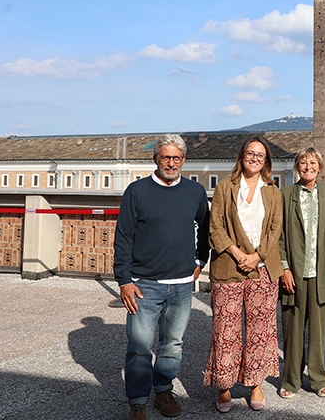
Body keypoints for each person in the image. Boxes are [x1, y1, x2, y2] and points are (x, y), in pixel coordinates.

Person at [113, 134, 210, 420]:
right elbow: (123, 237)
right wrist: (124, 280)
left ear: (183, 160)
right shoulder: (137, 191)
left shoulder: (194, 191)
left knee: (172, 345)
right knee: (140, 347)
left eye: (176, 158)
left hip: (181, 285)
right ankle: (138, 401)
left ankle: (163, 391)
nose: (171, 163)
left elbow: (206, 229)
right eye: (166, 157)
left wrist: (199, 260)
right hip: (143, 284)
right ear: (156, 158)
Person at [204, 136, 284, 412]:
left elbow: (275, 229)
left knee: (260, 330)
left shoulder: (273, 191)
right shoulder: (225, 187)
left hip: (263, 270)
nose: (254, 158)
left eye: (260, 155)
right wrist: (239, 255)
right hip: (229, 267)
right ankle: (223, 386)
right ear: (242, 156)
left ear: (266, 161)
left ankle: (255, 383)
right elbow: (215, 227)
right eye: (250, 153)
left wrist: (257, 256)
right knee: (225, 330)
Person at [279, 148, 325, 399]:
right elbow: (279, 237)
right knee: (292, 330)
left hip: (321, 273)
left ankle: (319, 378)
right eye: (303, 162)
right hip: (294, 274)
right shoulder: (286, 195)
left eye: (313, 162)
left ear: (320, 167)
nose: (308, 167)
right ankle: (291, 379)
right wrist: (284, 268)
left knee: (318, 331)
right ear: (297, 167)